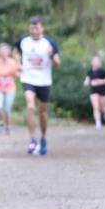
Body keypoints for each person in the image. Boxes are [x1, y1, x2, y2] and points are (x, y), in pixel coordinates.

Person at [15, 16, 60, 155]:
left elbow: (58, 64)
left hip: (44, 81)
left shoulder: (49, 42)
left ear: (42, 28)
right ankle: (32, 140)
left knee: (42, 112)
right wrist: (18, 63)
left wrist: (51, 54)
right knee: (30, 106)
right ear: (29, 28)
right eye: (32, 28)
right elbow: (15, 50)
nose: (34, 30)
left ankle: (43, 138)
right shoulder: (23, 40)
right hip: (28, 78)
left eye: (37, 28)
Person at [0, 42, 20, 134]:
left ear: (8, 52)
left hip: (10, 87)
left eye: (5, 50)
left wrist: (20, 72)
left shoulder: (12, 62)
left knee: (7, 109)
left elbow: (17, 73)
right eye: (2, 51)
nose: (4, 52)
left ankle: (8, 126)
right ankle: (2, 122)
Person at [84, 56, 105, 129]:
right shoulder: (90, 71)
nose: (95, 63)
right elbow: (87, 79)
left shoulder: (103, 71)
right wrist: (86, 83)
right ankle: (98, 122)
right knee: (96, 107)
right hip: (93, 91)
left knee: (102, 107)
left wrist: (101, 81)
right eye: (94, 61)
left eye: (97, 61)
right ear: (92, 62)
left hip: (102, 91)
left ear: (99, 63)